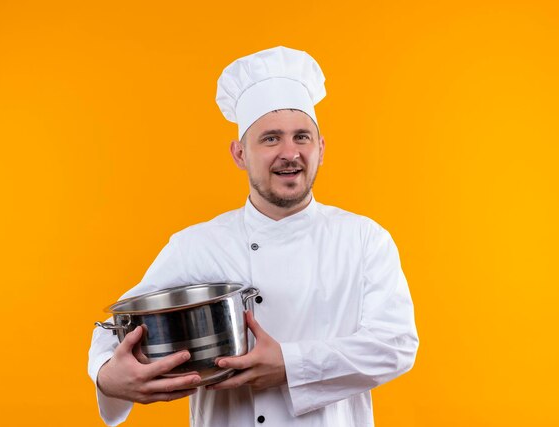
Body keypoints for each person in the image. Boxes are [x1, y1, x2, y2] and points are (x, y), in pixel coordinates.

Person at [88, 46, 419, 426]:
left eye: (302, 137)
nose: (289, 153)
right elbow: (121, 324)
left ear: (321, 148)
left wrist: (290, 365)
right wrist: (106, 376)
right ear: (239, 153)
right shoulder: (197, 245)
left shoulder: (364, 240)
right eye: (270, 138)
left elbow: (395, 345)